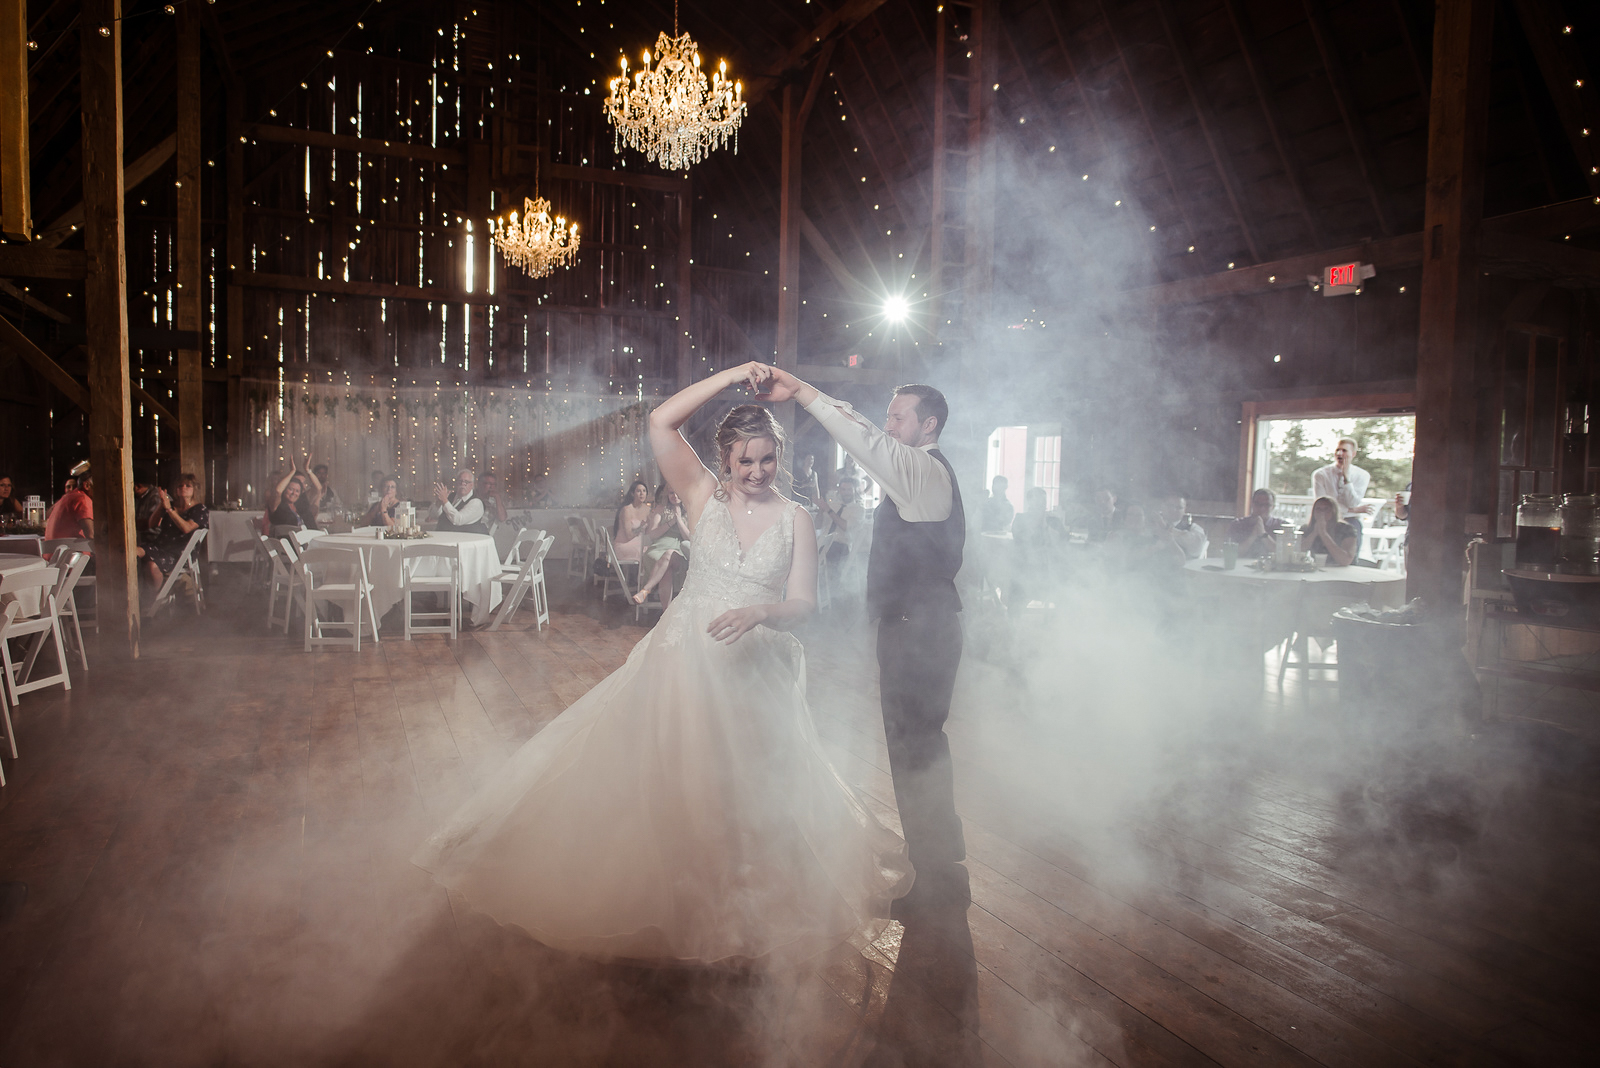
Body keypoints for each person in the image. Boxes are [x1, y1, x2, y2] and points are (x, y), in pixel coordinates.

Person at [414, 360, 909, 964]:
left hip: (755, 664)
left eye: (765, 459)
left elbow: (803, 603)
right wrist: (733, 376)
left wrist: (760, 612)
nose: (755, 472)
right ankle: (677, 901)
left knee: (745, 790)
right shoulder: (701, 495)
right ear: (724, 461)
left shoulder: (797, 518)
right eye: (743, 460)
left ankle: (738, 907)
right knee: (678, 778)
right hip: (685, 659)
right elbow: (660, 419)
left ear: (778, 456)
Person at [759, 365, 968, 915]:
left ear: (929, 425)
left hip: (924, 628)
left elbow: (863, 440)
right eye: (888, 416)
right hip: (914, 626)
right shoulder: (915, 471)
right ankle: (938, 863)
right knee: (914, 743)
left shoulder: (923, 470)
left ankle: (939, 880)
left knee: (915, 746)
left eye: (899, 417)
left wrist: (802, 392)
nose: (888, 425)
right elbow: (867, 434)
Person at [139, 473, 208, 587]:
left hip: (180, 553)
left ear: (194, 489)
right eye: (180, 486)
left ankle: (155, 601)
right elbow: (152, 524)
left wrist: (170, 510)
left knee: (151, 566)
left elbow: (186, 528)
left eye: (187, 486)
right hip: (160, 547)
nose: (183, 488)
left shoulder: (200, 509)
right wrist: (162, 505)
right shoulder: (171, 505)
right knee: (132, 552)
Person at [632, 483, 689, 609]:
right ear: (666, 495)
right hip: (658, 548)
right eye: (671, 493)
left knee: (669, 554)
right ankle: (666, 615)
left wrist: (679, 520)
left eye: (677, 492)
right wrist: (671, 522)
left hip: (680, 550)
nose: (674, 495)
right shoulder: (660, 509)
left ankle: (645, 590)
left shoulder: (690, 510)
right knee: (666, 570)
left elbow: (689, 538)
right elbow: (652, 535)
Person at [1311, 437, 1372, 542]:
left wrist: (1346, 477)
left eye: (1344, 450)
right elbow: (1322, 506)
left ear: (1353, 454)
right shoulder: (1321, 474)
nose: (1339, 454)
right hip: (1326, 521)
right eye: (1337, 450)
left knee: (1350, 553)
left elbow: (1352, 502)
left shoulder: (1362, 475)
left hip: (1351, 521)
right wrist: (1354, 510)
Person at [1228, 488, 1292, 556]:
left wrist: (1263, 534)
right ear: (1252, 504)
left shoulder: (1282, 526)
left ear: (1273, 507)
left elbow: (1284, 555)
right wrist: (1252, 536)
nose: (1262, 508)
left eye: (1267, 505)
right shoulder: (1238, 524)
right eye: (1258, 504)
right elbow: (1231, 553)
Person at [1299, 496, 1358, 566]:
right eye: (1318, 509)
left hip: (1343, 571)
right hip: (1317, 569)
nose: (1322, 512)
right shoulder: (1306, 529)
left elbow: (1346, 560)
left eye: (1326, 509)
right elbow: (1298, 552)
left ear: (1333, 512)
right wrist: (1314, 533)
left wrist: (1324, 534)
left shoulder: (1347, 529)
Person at [430, 467, 489, 534]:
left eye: (466, 482)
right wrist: (439, 503)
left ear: (472, 485)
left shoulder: (476, 502)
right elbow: (433, 516)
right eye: (460, 481)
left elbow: (458, 520)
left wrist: (444, 501)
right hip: (442, 536)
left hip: (463, 541)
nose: (462, 484)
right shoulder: (450, 496)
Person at [1155, 495, 1208, 561]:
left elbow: (1196, 550)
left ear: (1184, 510)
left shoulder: (1194, 528)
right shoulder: (1149, 525)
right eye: (1170, 506)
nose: (1173, 510)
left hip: (1181, 569)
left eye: (1179, 507)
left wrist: (1165, 527)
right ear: (1162, 506)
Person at [611, 480, 652, 566]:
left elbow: (649, 532)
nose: (642, 494)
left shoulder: (648, 510)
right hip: (625, 544)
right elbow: (628, 535)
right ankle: (638, 579)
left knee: (654, 551)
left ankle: (645, 578)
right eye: (638, 491)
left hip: (640, 543)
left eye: (644, 491)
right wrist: (641, 528)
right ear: (632, 494)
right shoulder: (627, 510)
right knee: (646, 553)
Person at [45, 472, 93, 541]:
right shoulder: (82, 499)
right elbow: (91, 534)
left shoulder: (65, 498)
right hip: (71, 550)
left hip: (53, 550)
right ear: (87, 485)